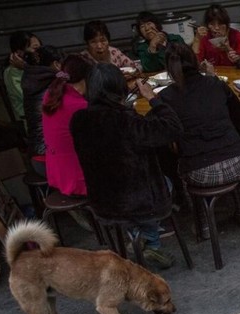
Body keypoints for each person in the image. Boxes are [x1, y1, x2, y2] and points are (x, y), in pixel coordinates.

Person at [70, 64, 182, 269]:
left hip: (104, 202)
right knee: (166, 183)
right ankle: (150, 240)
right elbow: (172, 129)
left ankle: (136, 234)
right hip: (140, 202)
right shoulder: (126, 120)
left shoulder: (78, 120)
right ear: (119, 87)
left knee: (138, 191)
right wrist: (153, 98)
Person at [158, 42, 240, 239]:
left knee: (181, 168)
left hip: (201, 172)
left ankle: (204, 225)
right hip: (239, 162)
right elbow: (239, 116)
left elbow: (164, 134)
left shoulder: (166, 97)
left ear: (169, 68)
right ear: (196, 61)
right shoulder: (216, 84)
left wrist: (152, 99)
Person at [42, 54, 92, 198]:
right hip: (78, 180)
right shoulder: (79, 106)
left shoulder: (50, 95)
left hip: (57, 173)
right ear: (87, 78)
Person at [22, 45, 62, 176]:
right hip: (51, 159)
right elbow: (68, 76)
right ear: (56, 64)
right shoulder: (55, 82)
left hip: (36, 156)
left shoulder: (30, 77)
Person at [3, 31, 41, 128]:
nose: (39, 52)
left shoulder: (38, 66)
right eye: (35, 48)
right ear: (19, 52)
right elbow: (32, 97)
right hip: (37, 121)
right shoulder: (12, 73)